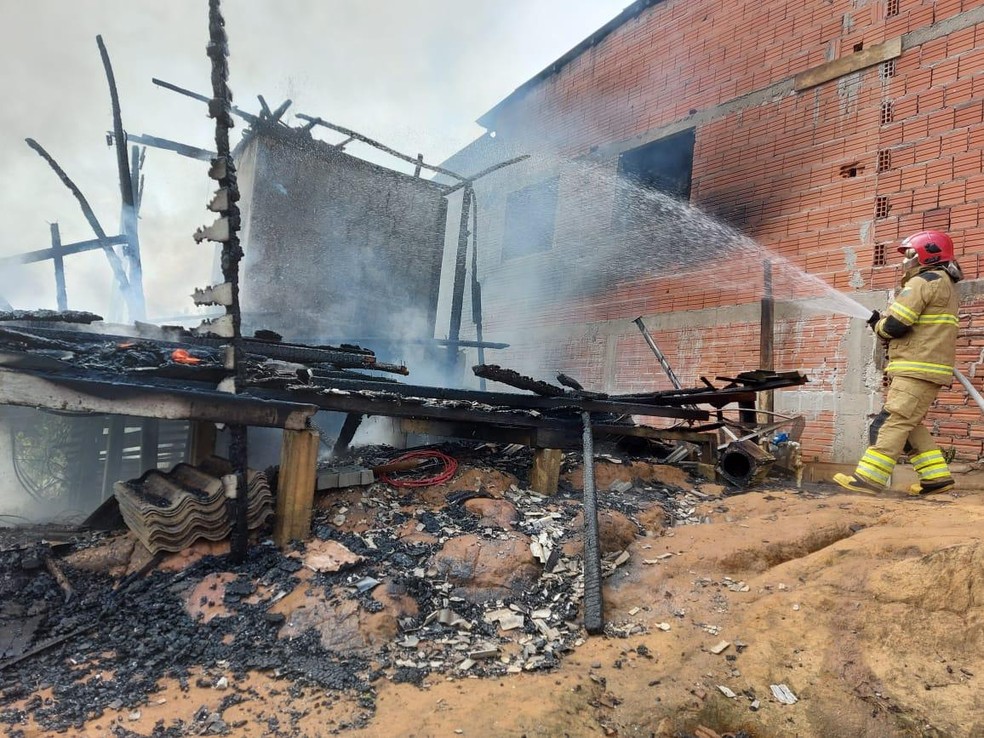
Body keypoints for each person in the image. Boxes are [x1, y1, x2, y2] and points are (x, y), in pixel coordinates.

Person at [834, 229, 962, 496]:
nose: (906, 261)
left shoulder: (922, 282)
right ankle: (936, 478)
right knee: (910, 423)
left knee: (891, 422)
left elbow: (895, 326)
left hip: (916, 367)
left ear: (927, 255)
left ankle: (869, 479)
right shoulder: (945, 283)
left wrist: (877, 324)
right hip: (927, 367)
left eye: (910, 255)